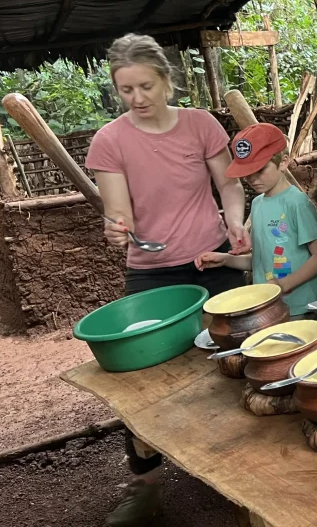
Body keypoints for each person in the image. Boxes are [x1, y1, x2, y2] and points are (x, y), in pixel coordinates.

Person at [86, 33, 249, 527]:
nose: (137, 99)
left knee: (234, 360)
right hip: (152, 271)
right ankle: (147, 486)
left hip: (213, 260)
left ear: (167, 80)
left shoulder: (200, 125)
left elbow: (229, 183)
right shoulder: (110, 140)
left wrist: (236, 221)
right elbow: (118, 212)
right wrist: (117, 229)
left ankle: (239, 473)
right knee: (141, 382)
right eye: (126, 89)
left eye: (146, 86)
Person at [195, 123, 317, 316]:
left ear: (283, 162)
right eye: (247, 173)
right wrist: (226, 260)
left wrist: (283, 284)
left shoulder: (296, 203)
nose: (252, 178)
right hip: (269, 306)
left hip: (300, 306)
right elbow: (261, 261)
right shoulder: (257, 204)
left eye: (260, 169)